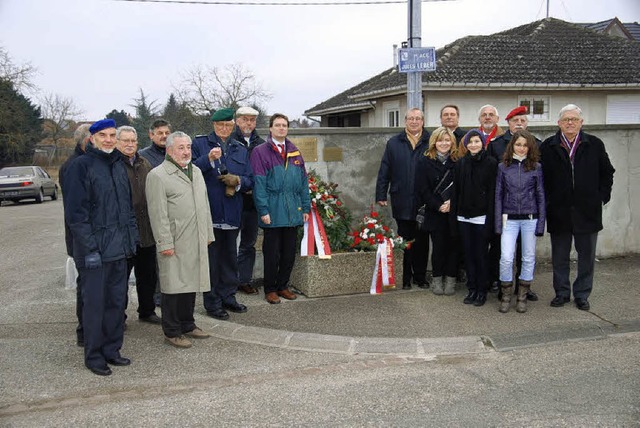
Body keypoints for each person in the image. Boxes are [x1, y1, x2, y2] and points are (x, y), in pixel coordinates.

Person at [63, 119, 139, 376]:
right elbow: (76, 215)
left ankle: (112, 350)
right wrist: (90, 249)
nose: (108, 140)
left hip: (119, 248)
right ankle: (94, 355)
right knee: (95, 305)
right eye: (103, 135)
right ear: (92, 139)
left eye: (112, 135)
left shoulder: (118, 165)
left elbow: (126, 209)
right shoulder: (80, 167)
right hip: (94, 252)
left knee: (117, 303)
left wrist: (131, 241)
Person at [540, 104, 615, 311]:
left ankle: (582, 294)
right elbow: (541, 179)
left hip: (587, 212)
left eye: (574, 119)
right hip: (559, 212)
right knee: (560, 257)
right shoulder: (548, 146)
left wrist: (601, 197)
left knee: (586, 257)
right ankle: (562, 293)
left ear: (581, 122)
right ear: (559, 123)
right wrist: (547, 203)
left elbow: (607, 172)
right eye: (566, 119)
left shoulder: (594, 144)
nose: (570, 123)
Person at [146, 131, 214, 348]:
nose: (186, 152)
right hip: (174, 241)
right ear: (169, 150)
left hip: (195, 238)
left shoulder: (197, 171)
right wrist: (164, 243)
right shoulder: (158, 175)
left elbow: (205, 205)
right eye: (180, 148)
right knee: (173, 287)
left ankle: (188, 323)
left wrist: (208, 233)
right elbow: (157, 214)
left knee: (190, 283)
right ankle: (172, 331)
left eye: (188, 147)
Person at [192, 108, 254, 320]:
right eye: (220, 125)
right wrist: (208, 159)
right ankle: (213, 302)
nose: (224, 129)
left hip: (232, 213)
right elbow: (189, 172)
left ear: (233, 126)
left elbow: (250, 179)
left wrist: (237, 182)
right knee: (212, 261)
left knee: (230, 259)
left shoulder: (240, 148)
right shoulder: (200, 144)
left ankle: (229, 296)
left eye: (228, 125)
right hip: (210, 213)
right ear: (214, 125)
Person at [250, 113, 310, 304]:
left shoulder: (294, 151)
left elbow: (303, 182)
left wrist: (306, 207)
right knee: (272, 253)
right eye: (277, 125)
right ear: (270, 128)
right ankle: (270, 289)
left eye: (284, 125)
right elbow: (258, 184)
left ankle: (283, 286)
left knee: (288, 252)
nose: (281, 128)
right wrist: (263, 210)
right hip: (273, 209)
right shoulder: (260, 152)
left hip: (293, 209)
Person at [487, 105, 542, 301]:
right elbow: (495, 183)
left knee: (525, 254)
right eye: (515, 121)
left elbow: (539, 182)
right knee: (503, 252)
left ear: (527, 123)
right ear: (508, 123)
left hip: (528, 210)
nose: (519, 124)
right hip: (506, 210)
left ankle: (523, 288)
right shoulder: (495, 145)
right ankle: (501, 286)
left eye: (522, 121)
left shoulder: (536, 144)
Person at [375, 108, 431, 290]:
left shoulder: (431, 141)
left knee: (422, 241)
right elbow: (385, 169)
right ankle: (405, 277)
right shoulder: (394, 143)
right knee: (405, 240)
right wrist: (381, 194)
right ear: (405, 121)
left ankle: (420, 277)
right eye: (411, 118)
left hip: (424, 201)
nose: (414, 121)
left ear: (423, 121)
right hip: (402, 198)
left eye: (418, 118)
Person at [494, 130, 545, 313]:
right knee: (506, 258)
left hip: (530, 219)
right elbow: (498, 196)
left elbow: (540, 196)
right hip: (509, 219)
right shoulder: (503, 167)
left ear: (530, 147)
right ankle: (506, 295)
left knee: (528, 257)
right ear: (512, 146)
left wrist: (541, 224)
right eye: (518, 144)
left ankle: (522, 295)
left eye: (525, 145)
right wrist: (498, 224)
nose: (521, 148)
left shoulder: (536, 167)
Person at [115, 125, 161, 324]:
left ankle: (147, 310)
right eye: (125, 141)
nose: (130, 144)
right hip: (124, 231)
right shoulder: (114, 166)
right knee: (121, 279)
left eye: (133, 141)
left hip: (146, 229)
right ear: (117, 142)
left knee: (147, 275)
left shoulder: (145, 164)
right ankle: (119, 316)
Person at [450, 130, 497, 307]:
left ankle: (481, 290)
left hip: (481, 218)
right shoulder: (461, 164)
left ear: (483, 143)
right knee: (468, 255)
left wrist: (490, 221)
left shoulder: (491, 163)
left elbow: (493, 194)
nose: (473, 145)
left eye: (477, 141)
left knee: (481, 255)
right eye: (470, 142)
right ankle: (472, 288)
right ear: (466, 145)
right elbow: (456, 193)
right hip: (463, 217)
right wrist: (454, 218)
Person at [414, 127, 459, 296]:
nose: (444, 143)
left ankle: (451, 279)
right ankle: (437, 278)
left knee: (454, 247)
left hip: (453, 212)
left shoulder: (458, 161)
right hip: (435, 212)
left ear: (452, 142)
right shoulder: (424, 161)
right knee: (438, 248)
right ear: (434, 142)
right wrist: (438, 205)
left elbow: (462, 186)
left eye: (447, 140)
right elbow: (422, 189)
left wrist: (451, 203)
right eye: (440, 140)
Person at [59, 123, 91, 347]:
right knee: (87, 288)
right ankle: (85, 332)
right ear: (87, 141)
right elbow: (76, 211)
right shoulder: (74, 166)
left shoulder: (89, 162)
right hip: (82, 240)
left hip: (88, 239)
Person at [139, 118, 172, 307]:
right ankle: (156, 296)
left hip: (173, 212)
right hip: (153, 213)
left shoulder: (176, 153)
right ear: (151, 135)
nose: (164, 136)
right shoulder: (144, 157)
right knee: (155, 259)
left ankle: (169, 292)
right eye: (160, 133)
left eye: (167, 133)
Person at [232, 106, 265, 295]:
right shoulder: (229, 141)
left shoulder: (261, 144)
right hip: (233, 200)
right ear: (237, 121)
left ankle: (243, 280)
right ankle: (227, 280)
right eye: (245, 119)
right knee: (228, 244)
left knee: (248, 243)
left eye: (252, 120)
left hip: (252, 203)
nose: (249, 124)